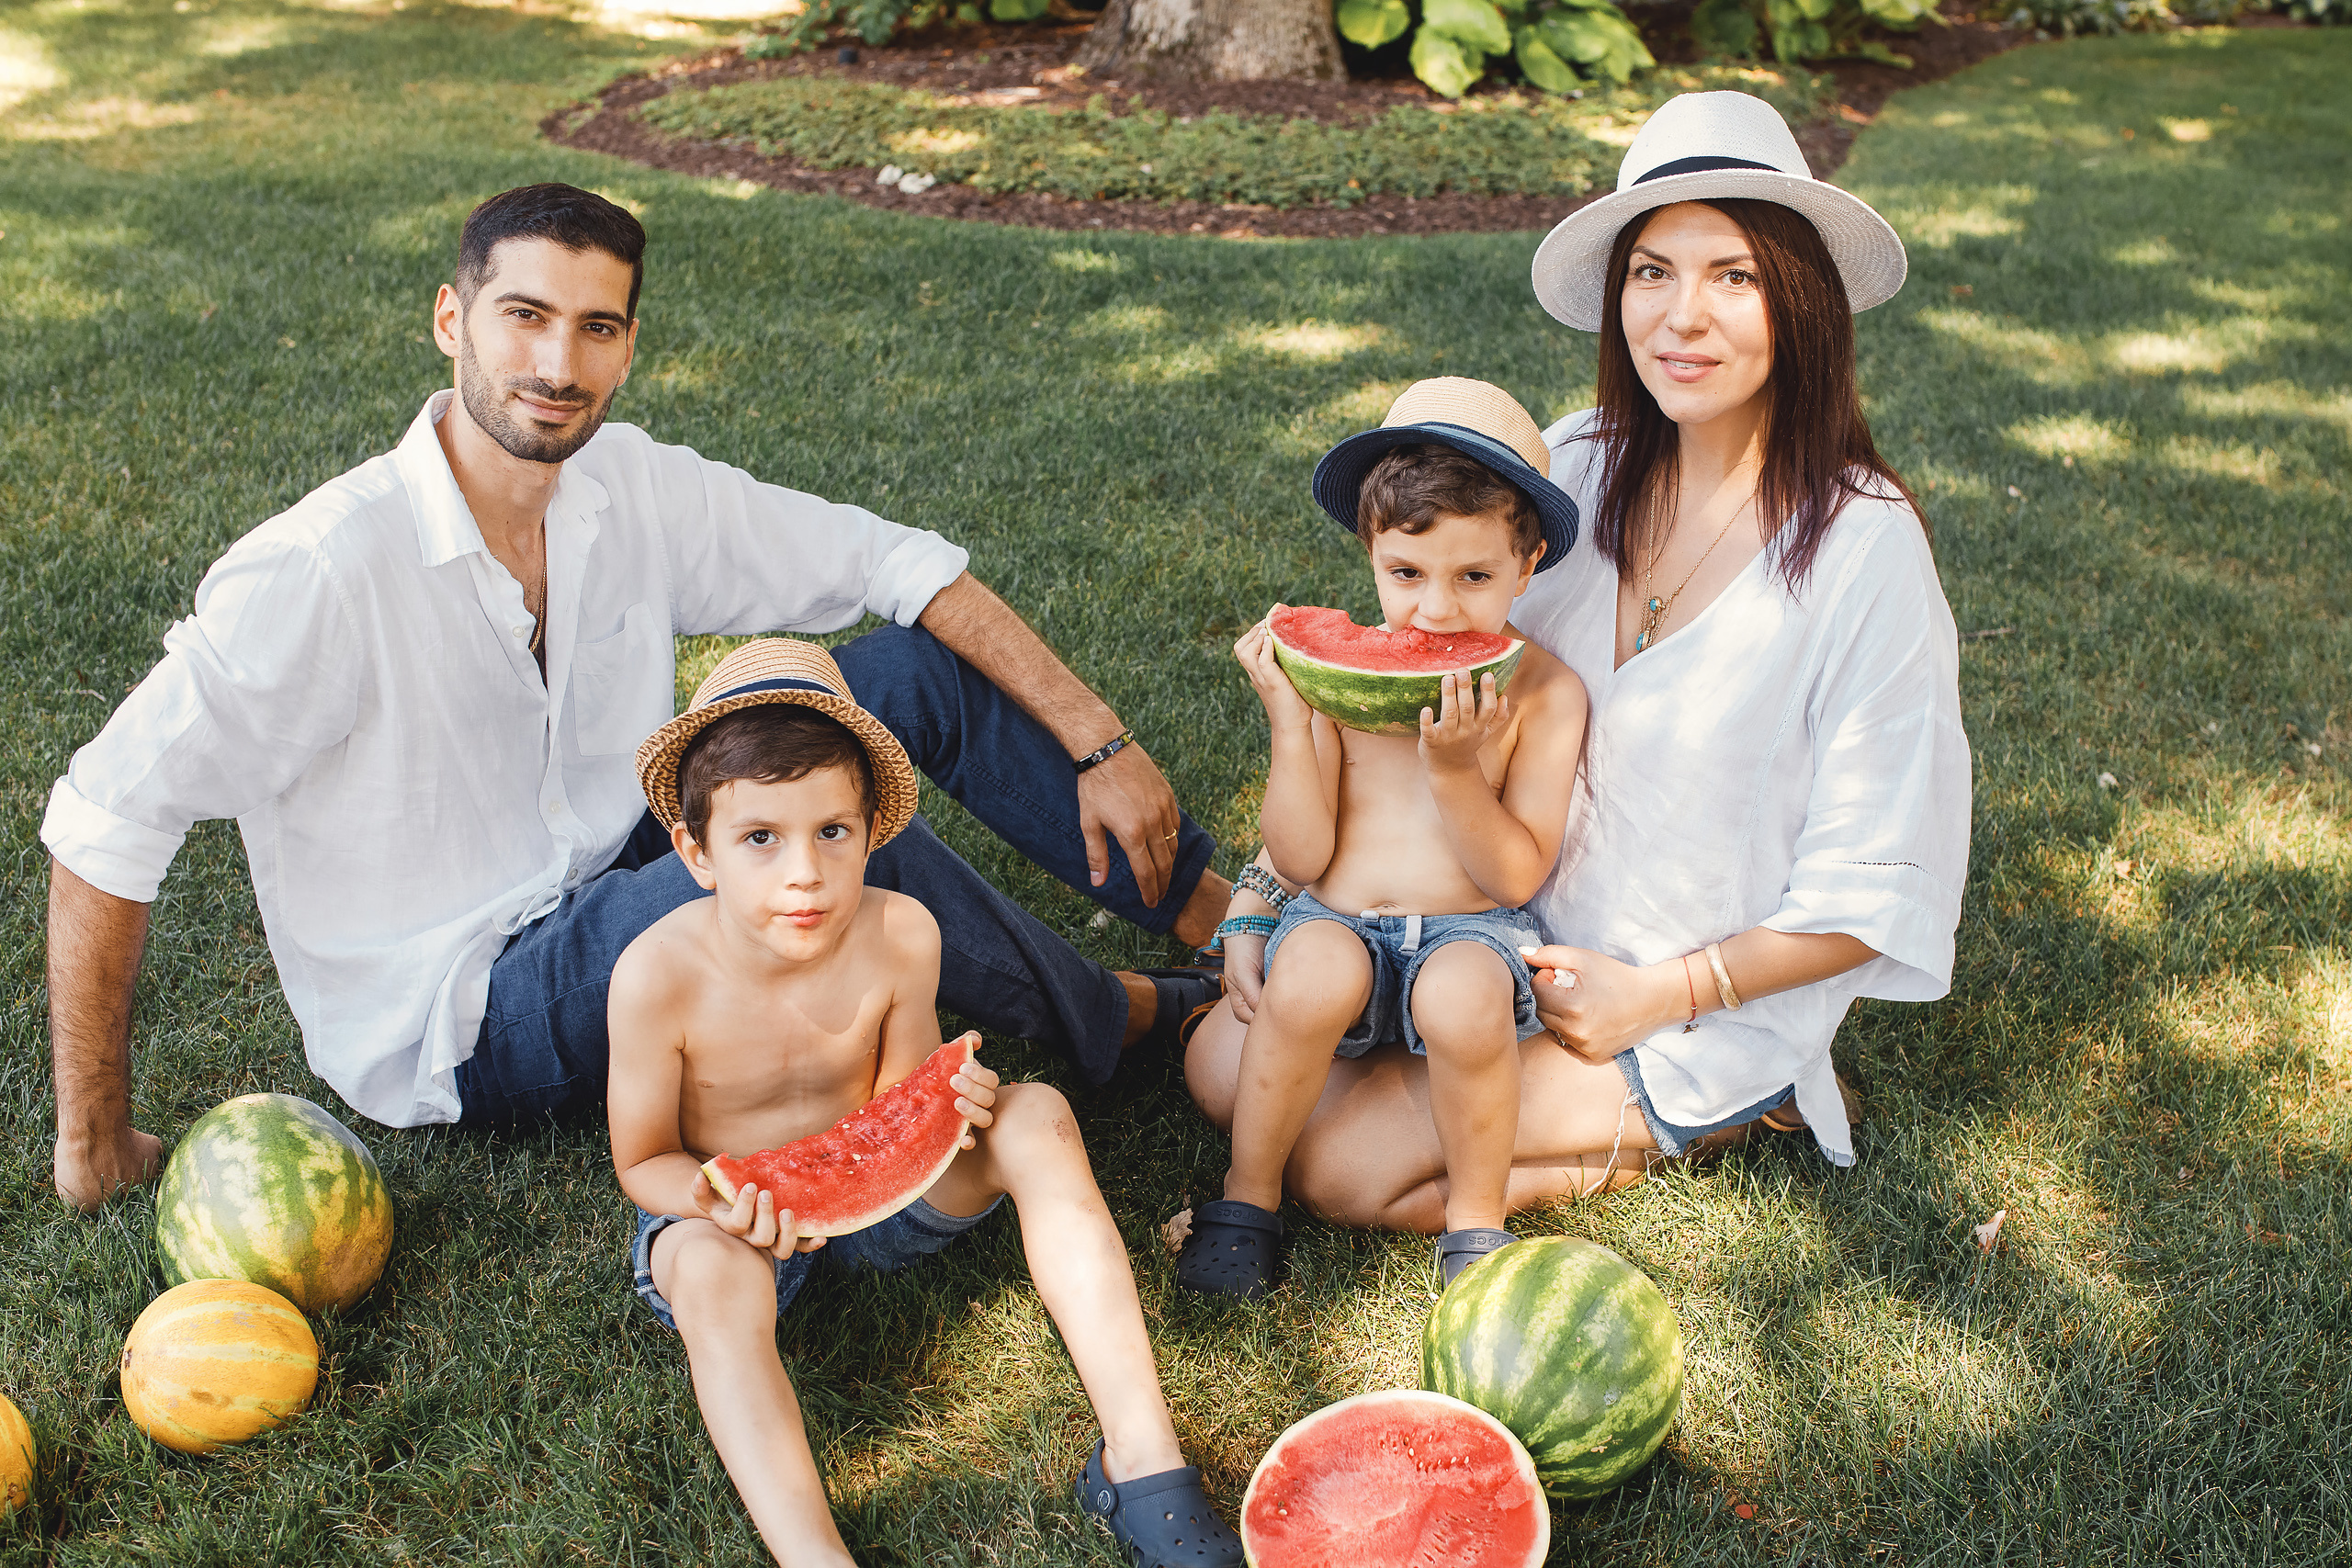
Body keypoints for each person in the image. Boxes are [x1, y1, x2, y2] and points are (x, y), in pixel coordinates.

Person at [42, 182, 1224, 1210]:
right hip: (465, 1011)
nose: (557, 366)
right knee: (827, 845)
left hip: (614, 873)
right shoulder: (321, 570)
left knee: (908, 679)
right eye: (524, 317)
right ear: (450, 318)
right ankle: (1126, 1020)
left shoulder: (628, 485)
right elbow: (106, 819)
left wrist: (1096, 737)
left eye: (593, 328)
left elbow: (894, 562)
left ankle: (1239, 929)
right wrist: (95, 1142)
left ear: (627, 344)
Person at [1184, 91, 1971, 1226]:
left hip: (1675, 998)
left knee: (1338, 1168)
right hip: (1484, 938)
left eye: (1733, 276)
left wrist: (1660, 994)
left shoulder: (1864, 551)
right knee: (1219, 1066)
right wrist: (1266, 905)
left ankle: (1747, 1100)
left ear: (1799, 302)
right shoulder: (1576, 467)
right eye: (1651, 273)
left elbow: (1876, 890)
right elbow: (1407, 686)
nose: (1681, 318)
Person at [608, 639, 1239, 1568]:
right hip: (737, 1225)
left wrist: (953, 1107)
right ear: (696, 854)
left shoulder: (902, 933)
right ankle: (815, 1557)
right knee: (704, 1269)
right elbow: (643, 1161)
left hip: (889, 1209)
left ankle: (1143, 1462)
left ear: (873, 833)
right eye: (759, 839)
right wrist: (719, 1204)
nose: (805, 874)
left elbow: (898, 1111)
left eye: (834, 832)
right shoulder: (654, 977)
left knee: (1037, 1115)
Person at [1173, 378, 1587, 1299]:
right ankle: (1247, 1197)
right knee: (1313, 971)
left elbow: (1516, 871)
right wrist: (1290, 719)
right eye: (1405, 575)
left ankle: (1476, 1225)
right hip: (1338, 919)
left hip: (1471, 930)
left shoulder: (1546, 697)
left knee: (1466, 998)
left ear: (1528, 567)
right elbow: (1300, 856)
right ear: (1369, 555)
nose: (1435, 613)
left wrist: (1453, 771)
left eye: (1473, 578)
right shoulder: (1334, 683)